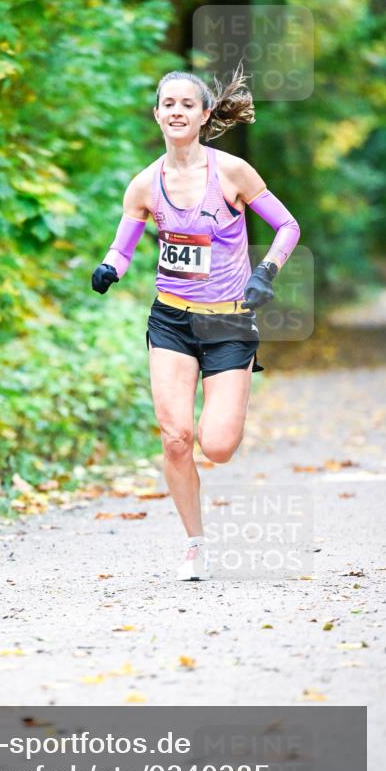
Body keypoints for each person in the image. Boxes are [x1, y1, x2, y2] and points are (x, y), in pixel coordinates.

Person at [92, 63, 300, 581]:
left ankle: (222, 425)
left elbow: (287, 226)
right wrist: (108, 270)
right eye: (169, 104)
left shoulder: (231, 173)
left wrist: (266, 272)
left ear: (205, 114)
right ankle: (194, 543)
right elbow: (123, 248)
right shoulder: (144, 184)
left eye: (188, 104)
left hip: (229, 323)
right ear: (157, 114)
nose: (177, 112)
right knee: (176, 437)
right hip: (172, 322)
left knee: (218, 446)